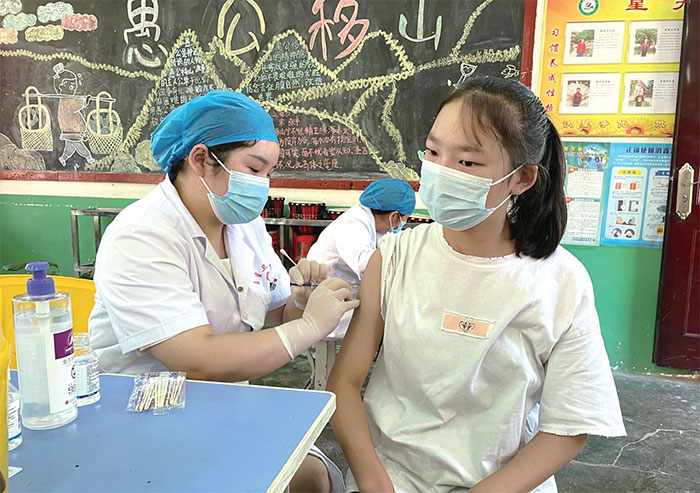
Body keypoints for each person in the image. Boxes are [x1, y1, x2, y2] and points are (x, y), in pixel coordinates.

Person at [327, 77, 626, 492]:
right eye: (433, 153)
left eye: (467, 163)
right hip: (394, 479)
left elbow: (569, 426)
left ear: (522, 179)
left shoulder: (561, 280)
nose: (441, 172)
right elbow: (343, 383)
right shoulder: (394, 258)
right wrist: (375, 482)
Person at [88, 90, 359, 492]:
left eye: (269, 172)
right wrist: (309, 327)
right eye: (254, 168)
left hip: (223, 403)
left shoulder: (243, 225)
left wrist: (300, 303)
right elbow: (196, 359)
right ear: (200, 159)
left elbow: (275, 311)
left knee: (313, 477)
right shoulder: (140, 236)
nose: (263, 185)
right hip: (146, 411)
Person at [306, 178, 416, 340]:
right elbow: (367, 265)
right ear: (393, 216)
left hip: (346, 294)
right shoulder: (354, 225)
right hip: (330, 300)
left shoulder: (375, 225)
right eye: (405, 219)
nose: (402, 224)